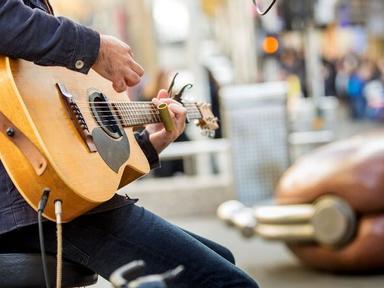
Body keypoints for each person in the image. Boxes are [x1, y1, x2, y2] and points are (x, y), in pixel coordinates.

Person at [0, 1, 258, 287]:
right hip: (28, 206)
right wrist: (94, 48)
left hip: (46, 199)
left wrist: (148, 144)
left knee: (224, 257)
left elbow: (72, 152)